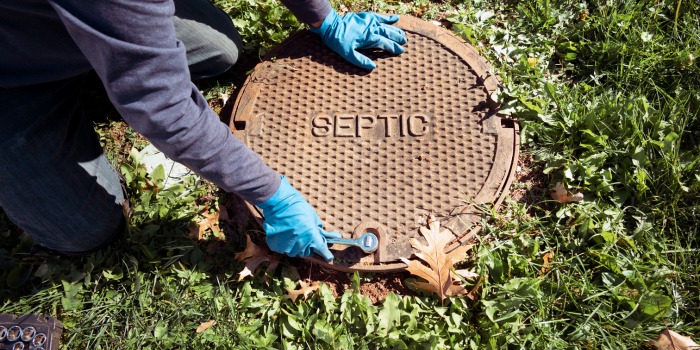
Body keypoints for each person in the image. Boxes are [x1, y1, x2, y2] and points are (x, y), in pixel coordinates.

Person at [0, 0, 406, 261]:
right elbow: (166, 109)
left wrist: (323, 17)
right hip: (13, 71)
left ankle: (116, 52)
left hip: (72, 16)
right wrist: (272, 194)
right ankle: (113, 60)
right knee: (81, 230)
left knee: (221, 48)